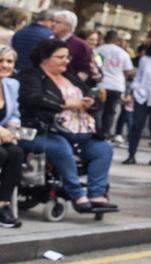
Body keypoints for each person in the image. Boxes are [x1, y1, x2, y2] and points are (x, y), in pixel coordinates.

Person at [18, 37, 119, 215]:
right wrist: (65, 104)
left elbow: (91, 94)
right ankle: (77, 195)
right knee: (61, 147)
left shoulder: (69, 77)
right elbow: (32, 99)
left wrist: (91, 102)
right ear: (45, 58)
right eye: (61, 57)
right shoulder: (31, 76)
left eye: (67, 57)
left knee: (103, 149)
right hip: (43, 131)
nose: (66, 61)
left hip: (80, 132)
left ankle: (96, 195)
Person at [0, 48, 24, 228]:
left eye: (9, 61)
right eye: (1, 60)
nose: (5, 65)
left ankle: (3, 204)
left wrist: (13, 124)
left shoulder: (11, 85)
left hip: (3, 137)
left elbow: (14, 113)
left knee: (16, 153)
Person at [94, 30, 131, 141]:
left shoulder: (99, 50)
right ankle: (106, 133)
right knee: (110, 111)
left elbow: (95, 66)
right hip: (116, 85)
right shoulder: (123, 53)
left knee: (98, 110)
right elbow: (128, 70)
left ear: (105, 38)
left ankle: (97, 132)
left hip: (102, 84)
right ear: (117, 40)